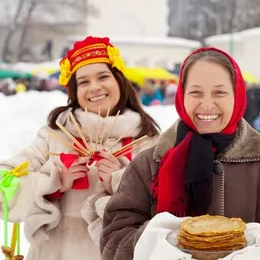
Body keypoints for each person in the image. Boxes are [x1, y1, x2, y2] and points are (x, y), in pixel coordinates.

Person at [100, 47, 260, 260]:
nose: (207, 104)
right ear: (182, 95)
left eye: (220, 92)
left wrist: (256, 250)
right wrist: (164, 244)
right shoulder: (147, 165)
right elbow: (114, 241)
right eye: (196, 92)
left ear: (237, 95)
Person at [0, 36, 159, 260]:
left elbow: (162, 211)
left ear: (119, 81)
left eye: (103, 76)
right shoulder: (54, 136)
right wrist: (52, 182)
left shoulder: (147, 142)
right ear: (74, 91)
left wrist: (120, 182)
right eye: (83, 82)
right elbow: (3, 186)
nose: (94, 87)